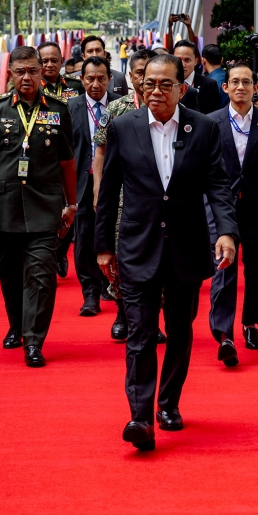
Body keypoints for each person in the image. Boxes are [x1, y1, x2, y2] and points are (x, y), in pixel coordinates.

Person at [95, 53, 238, 451]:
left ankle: (168, 403)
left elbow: (218, 184)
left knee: (179, 331)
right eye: (148, 83)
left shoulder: (204, 127)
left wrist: (227, 232)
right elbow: (108, 190)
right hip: (137, 245)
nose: (155, 91)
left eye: (164, 84)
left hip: (185, 246)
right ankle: (140, 418)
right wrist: (102, 247)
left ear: (182, 88)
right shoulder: (123, 126)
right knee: (140, 333)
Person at [0, 46, 77, 366]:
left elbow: (67, 162)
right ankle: (16, 325)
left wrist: (71, 203)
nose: (27, 77)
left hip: (45, 205)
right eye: (20, 71)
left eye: (33, 70)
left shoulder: (58, 109)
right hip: (6, 206)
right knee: (11, 273)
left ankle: (34, 341)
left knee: (41, 275)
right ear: (10, 74)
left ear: (42, 71)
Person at [206, 63, 258, 366]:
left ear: (256, 88)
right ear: (225, 87)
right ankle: (224, 334)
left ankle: (250, 322)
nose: (240, 87)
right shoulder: (211, 122)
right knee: (223, 269)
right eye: (234, 82)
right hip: (222, 208)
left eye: (246, 82)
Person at [91, 49, 157, 341]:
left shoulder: (169, 107)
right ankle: (122, 310)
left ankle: (152, 318)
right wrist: (98, 189)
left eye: (149, 72)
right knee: (119, 256)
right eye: (139, 73)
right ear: (130, 76)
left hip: (157, 197)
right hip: (121, 195)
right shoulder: (117, 109)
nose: (144, 79)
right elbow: (100, 150)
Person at [68, 56, 120, 316]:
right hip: (82, 181)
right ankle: (90, 292)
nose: (96, 84)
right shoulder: (70, 108)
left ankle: (111, 285)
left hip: (115, 181)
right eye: (90, 78)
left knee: (112, 232)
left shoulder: (121, 105)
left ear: (110, 79)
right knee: (84, 236)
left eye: (101, 78)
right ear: (81, 79)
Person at [38, 40, 79, 278]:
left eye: (54, 60)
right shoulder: (32, 87)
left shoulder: (75, 86)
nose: (49, 64)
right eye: (44, 61)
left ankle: (60, 251)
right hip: (43, 159)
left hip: (71, 156)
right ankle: (47, 254)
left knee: (70, 206)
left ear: (62, 61)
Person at [173, 39, 222, 115]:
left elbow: (215, 115)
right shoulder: (167, 84)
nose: (182, 65)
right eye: (178, 60)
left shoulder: (209, 85)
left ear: (195, 61)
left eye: (187, 60)